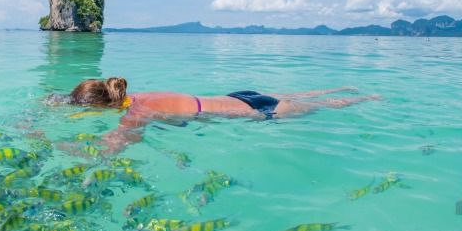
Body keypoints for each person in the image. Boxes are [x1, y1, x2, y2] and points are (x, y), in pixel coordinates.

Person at [64, 77, 379, 153]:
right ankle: (344, 87)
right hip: (237, 96)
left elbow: (109, 149)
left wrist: (60, 148)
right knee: (302, 97)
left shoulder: (137, 112)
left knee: (324, 108)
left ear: (102, 106)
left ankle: (369, 97)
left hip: (257, 111)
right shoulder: (139, 95)